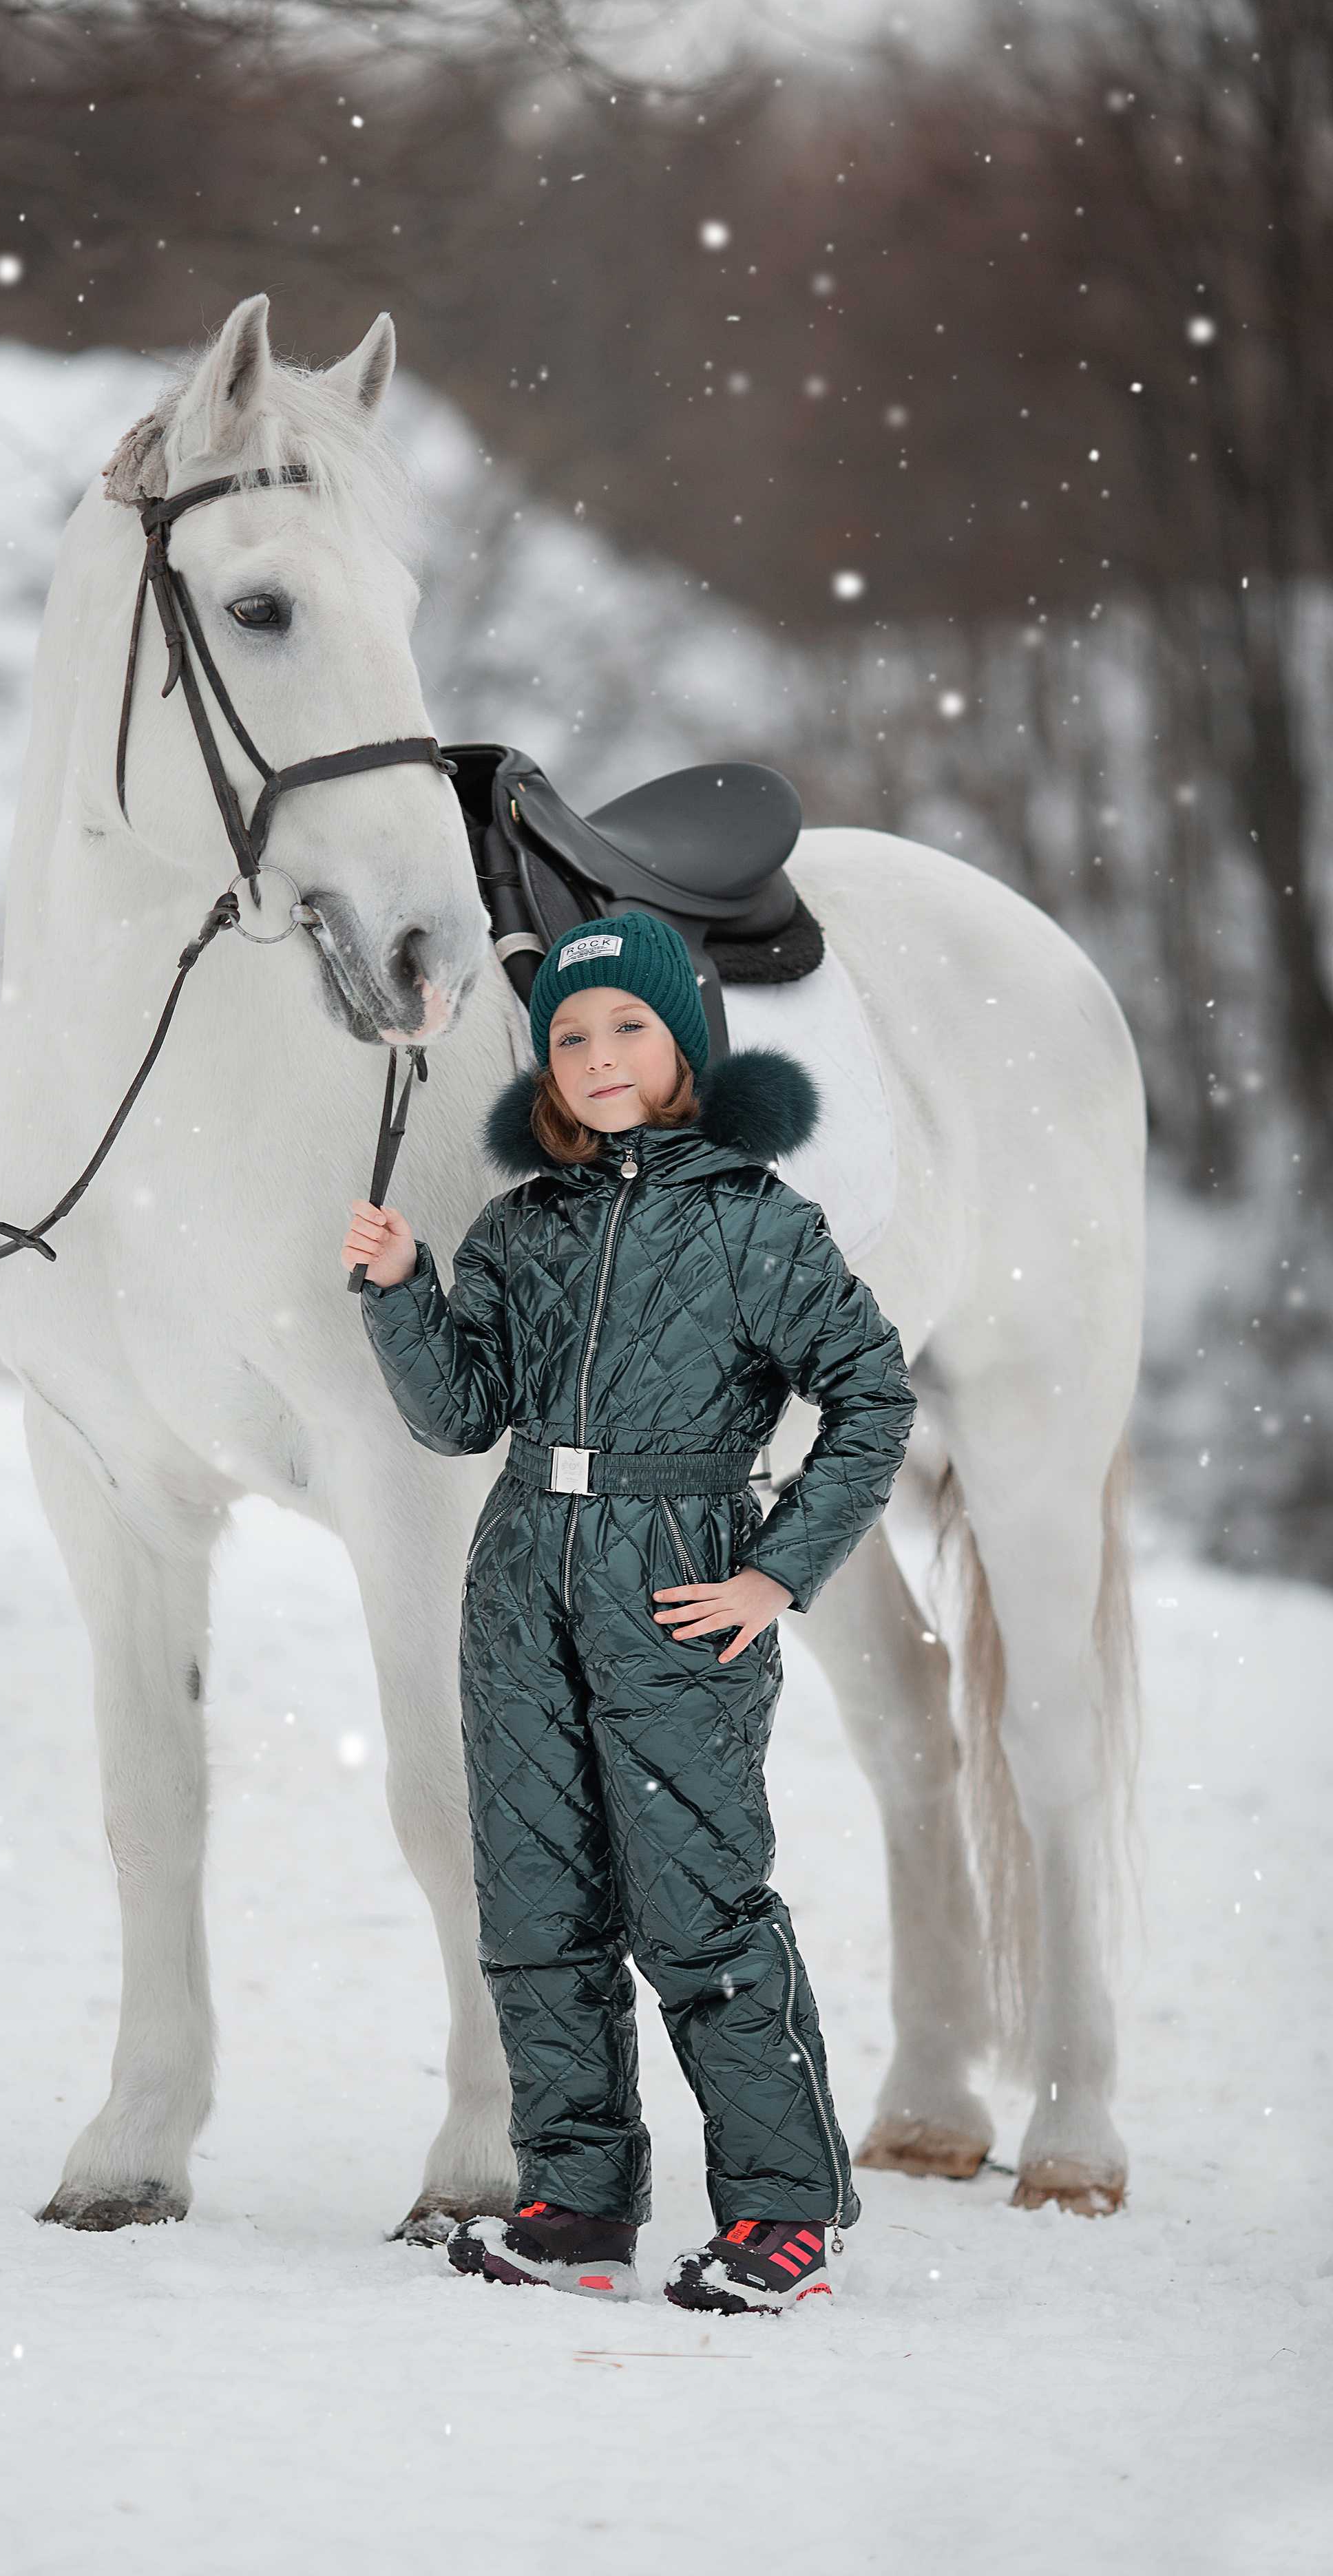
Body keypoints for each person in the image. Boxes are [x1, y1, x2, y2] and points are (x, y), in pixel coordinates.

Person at [340, 913, 915, 2314]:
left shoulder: (758, 1223)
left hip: (676, 1581)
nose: (598, 1056)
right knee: (536, 1908)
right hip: (519, 1574)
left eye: (628, 1028)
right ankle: (578, 2207)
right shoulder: (519, 1228)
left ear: (683, 1045)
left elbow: (872, 1399)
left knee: (698, 1912)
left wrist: (776, 1570)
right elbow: (459, 1417)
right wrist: (404, 1294)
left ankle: (784, 2212)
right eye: (571, 1034)